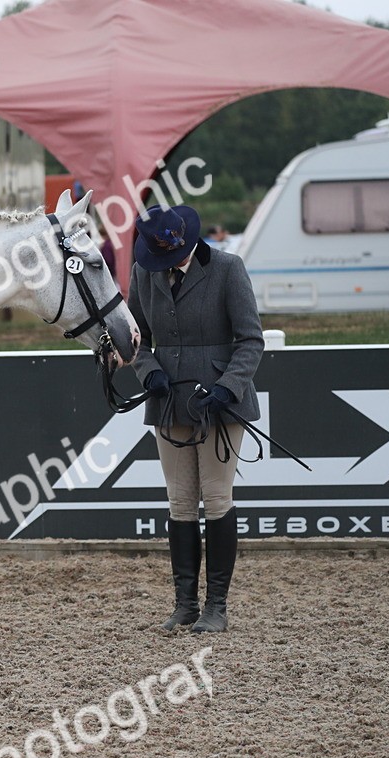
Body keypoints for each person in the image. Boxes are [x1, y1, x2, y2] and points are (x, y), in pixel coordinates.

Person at [127, 205, 263, 634]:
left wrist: (229, 386)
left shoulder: (227, 268)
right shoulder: (143, 273)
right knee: (180, 501)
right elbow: (138, 338)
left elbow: (250, 339)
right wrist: (149, 373)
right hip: (168, 403)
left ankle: (216, 606)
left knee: (217, 497)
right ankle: (185, 603)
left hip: (220, 404)